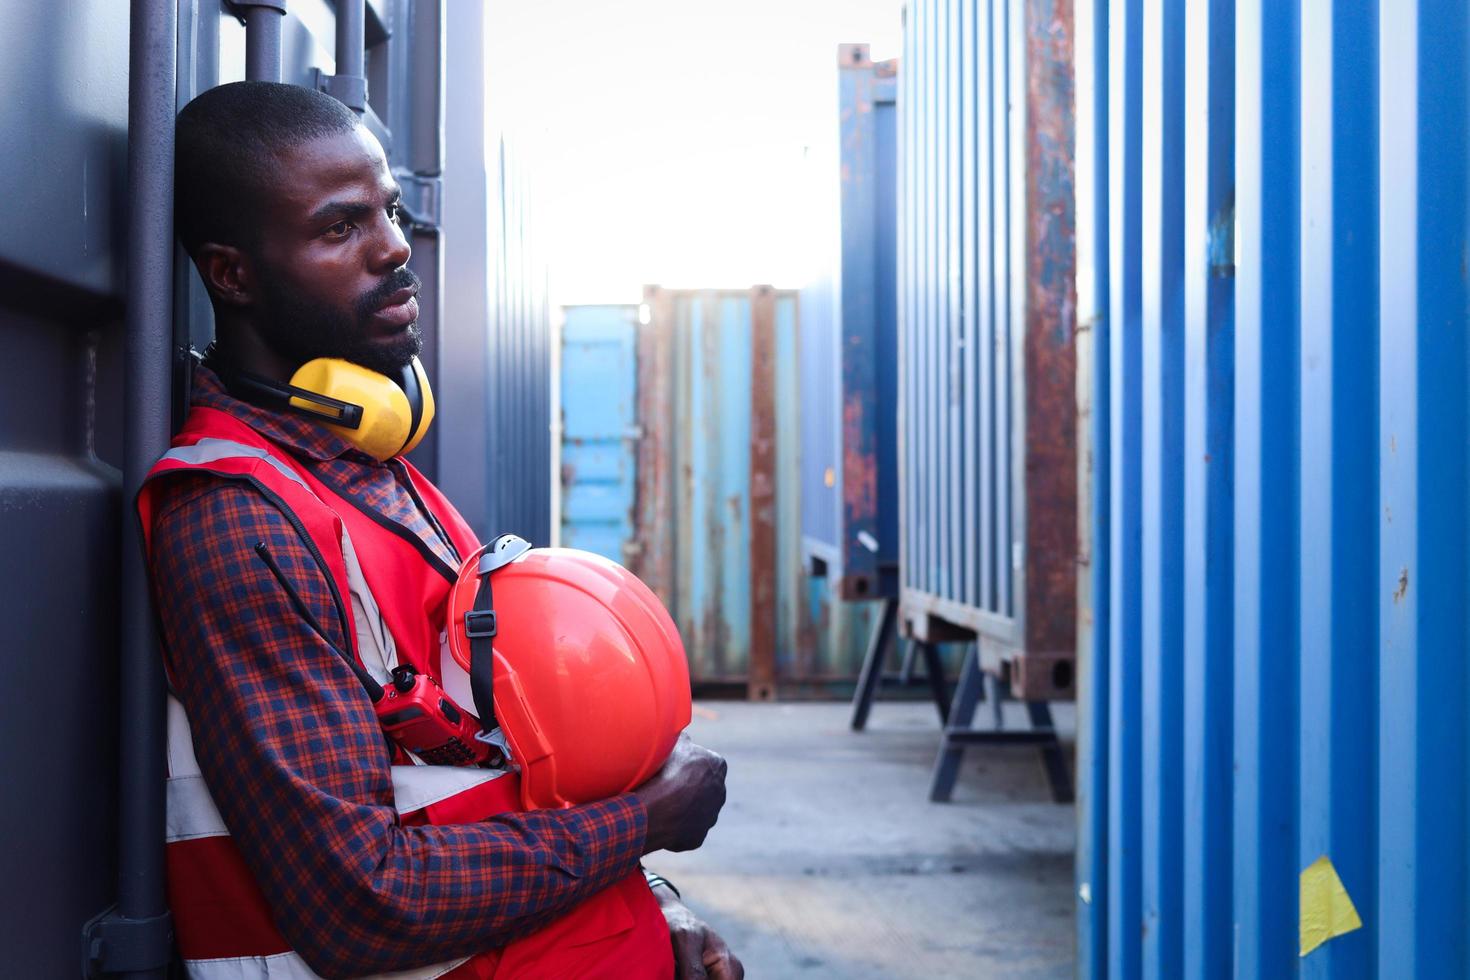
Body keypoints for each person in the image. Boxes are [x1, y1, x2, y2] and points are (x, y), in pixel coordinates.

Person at [141, 80, 741, 979]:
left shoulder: (384, 478)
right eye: (340, 229)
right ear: (232, 274)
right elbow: (360, 902)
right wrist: (642, 823)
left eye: (389, 210)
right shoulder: (234, 518)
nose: (395, 248)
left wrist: (657, 907)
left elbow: (502, 779)